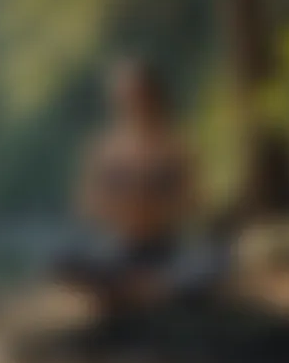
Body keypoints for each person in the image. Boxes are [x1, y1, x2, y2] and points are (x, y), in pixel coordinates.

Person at [56, 57, 226, 313]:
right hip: (119, 250)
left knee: (214, 260)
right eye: (125, 95)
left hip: (166, 249)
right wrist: (124, 208)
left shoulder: (176, 145)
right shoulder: (103, 148)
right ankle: (139, 289)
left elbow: (196, 201)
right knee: (63, 256)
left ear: (155, 96)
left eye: (139, 94)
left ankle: (145, 289)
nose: (133, 102)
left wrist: (157, 208)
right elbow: (86, 204)